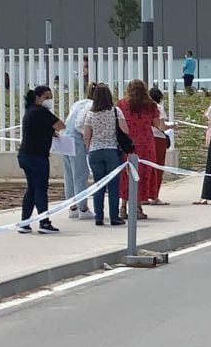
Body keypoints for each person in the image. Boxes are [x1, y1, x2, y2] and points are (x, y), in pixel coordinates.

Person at [17, 85, 64, 234]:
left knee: (31, 188)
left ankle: (25, 222)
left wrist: (49, 131)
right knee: (40, 189)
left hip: (25, 154)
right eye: (47, 97)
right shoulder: (41, 111)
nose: (49, 101)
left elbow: (41, 129)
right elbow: (61, 125)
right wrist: (53, 130)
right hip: (37, 157)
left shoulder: (30, 111)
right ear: (38, 97)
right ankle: (44, 222)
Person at [81, 85, 131, 226]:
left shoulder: (90, 114)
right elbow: (125, 130)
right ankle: (114, 217)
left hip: (95, 151)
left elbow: (86, 136)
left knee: (98, 185)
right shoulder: (116, 111)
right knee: (114, 186)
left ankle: (99, 217)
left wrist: (89, 148)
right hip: (111, 150)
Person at [118, 79, 162, 221]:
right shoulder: (151, 105)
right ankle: (137, 207)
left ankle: (123, 207)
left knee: (126, 174)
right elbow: (156, 124)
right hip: (145, 142)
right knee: (142, 173)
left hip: (128, 142)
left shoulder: (122, 104)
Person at [62, 82, 95, 221]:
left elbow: (70, 119)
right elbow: (81, 125)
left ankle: (72, 207)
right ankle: (83, 208)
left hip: (65, 138)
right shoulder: (92, 106)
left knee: (68, 175)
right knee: (80, 175)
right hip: (77, 141)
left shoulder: (78, 103)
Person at [147, 87, 175, 205]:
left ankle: (143, 195)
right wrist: (172, 126)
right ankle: (154, 196)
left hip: (146, 138)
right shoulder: (158, 108)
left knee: (146, 167)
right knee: (158, 168)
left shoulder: (143, 107)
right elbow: (162, 126)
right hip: (158, 138)